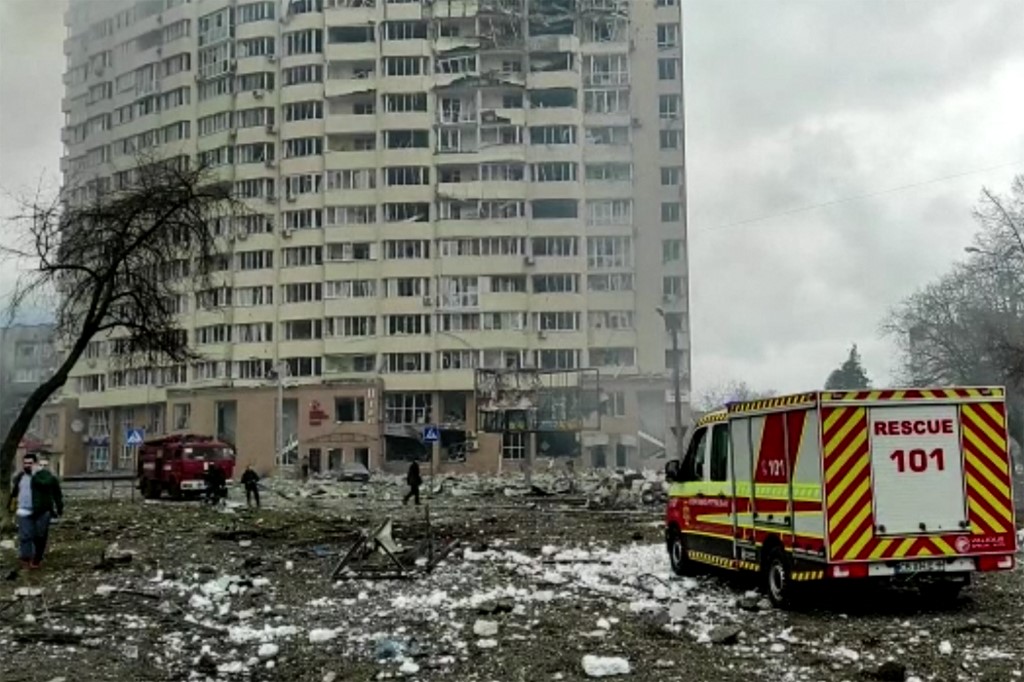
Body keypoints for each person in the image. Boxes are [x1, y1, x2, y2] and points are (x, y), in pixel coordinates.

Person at [8, 452, 64, 570]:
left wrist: (59, 508)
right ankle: (25, 558)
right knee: (25, 536)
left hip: (42, 511)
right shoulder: (20, 477)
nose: (27, 465)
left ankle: (36, 558)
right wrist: (11, 507)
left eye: (30, 463)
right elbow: (14, 493)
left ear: (36, 464)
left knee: (40, 536)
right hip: (24, 511)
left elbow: (55, 491)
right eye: (25, 463)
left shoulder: (45, 476)